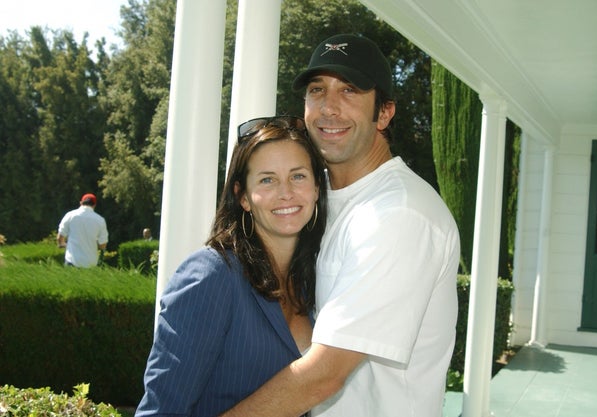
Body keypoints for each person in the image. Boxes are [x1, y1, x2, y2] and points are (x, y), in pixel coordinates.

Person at [221, 34, 460, 417]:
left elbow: (325, 375)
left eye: (349, 90)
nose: (328, 108)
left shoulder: (399, 214)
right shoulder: (314, 199)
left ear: (384, 113)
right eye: (317, 90)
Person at [135, 116, 328, 417]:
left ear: (316, 188)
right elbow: (161, 411)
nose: (286, 192)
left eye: (298, 176)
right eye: (267, 180)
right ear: (243, 197)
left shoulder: (315, 278)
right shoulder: (212, 274)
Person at [56, 193, 109, 268]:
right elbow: (103, 245)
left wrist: (62, 244)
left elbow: (60, 237)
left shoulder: (70, 215)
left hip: (72, 261)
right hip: (91, 264)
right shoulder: (100, 220)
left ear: (81, 203)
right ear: (94, 205)